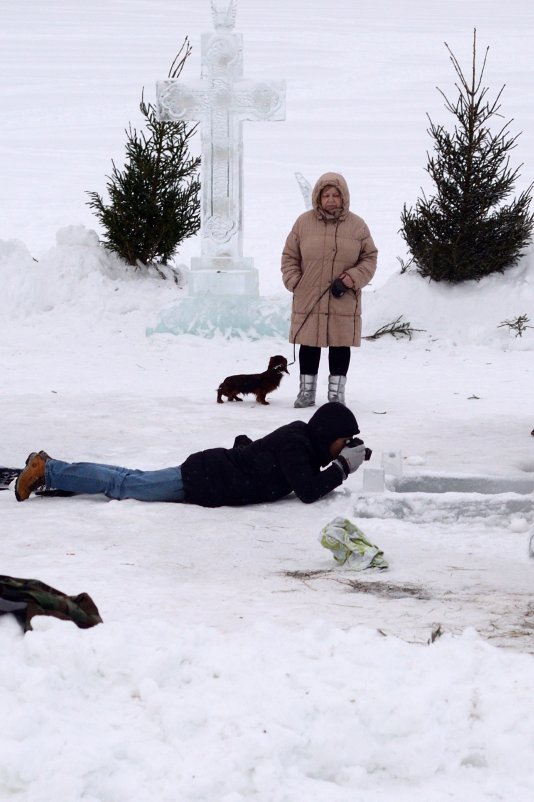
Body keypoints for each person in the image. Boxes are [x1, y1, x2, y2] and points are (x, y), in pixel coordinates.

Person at [14, 402, 368, 507]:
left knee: (129, 477)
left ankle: (55, 471)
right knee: (123, 485)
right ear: (326, 433)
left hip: (210, 475)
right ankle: (50, 469)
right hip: (202, 479)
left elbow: (274, 463)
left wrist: (339, 462)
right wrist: (341, 468)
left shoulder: (302, 442)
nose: (345, 446)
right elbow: (307, 490)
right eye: (344, 440)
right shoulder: (299, 444)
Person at [281, 171, 378, 408]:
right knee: (309, 343)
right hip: (309, 296)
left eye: (336, 195)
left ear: (344, 197)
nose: (331, 199)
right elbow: (290, 257)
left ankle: (336, 395)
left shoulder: (358, 226)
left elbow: (369, 258)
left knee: (340, 345)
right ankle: (306, 392)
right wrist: (296, 283)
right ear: (318, 197)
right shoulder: (303, 223)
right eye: (326, 195)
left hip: (342, 297)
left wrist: (351, 279)